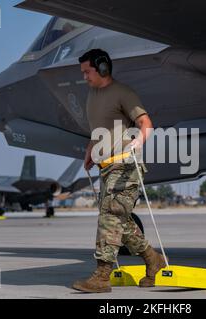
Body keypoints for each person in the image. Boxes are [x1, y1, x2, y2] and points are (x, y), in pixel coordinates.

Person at [72, 49, 166, 293]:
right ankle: (153, 261)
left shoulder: (123, 93)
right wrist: (90, 151)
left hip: (125, 166)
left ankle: (102, 276)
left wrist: (138, 142)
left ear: (102, 68)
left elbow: (146, 123)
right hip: (105, 167)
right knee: (120, 223)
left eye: (87, 71)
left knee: (110, 216)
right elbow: (98, 131)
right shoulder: (92, 95)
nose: (84, 77)